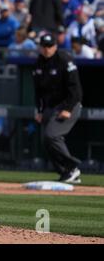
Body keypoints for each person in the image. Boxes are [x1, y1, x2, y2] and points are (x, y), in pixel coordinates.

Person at [32, 33, 83, 184]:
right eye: (44, 46)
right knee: (46, 141)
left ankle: (72, 167)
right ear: (40, 47)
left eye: (49, 46)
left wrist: (67, 108)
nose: (47, 49)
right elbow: (38, 92)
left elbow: (76, 90)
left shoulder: (64, 60)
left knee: (51, 136)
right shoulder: (38, 63)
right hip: (50, 107)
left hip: (70, 104)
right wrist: (40, 111)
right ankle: (67, 172)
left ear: (55, 46)